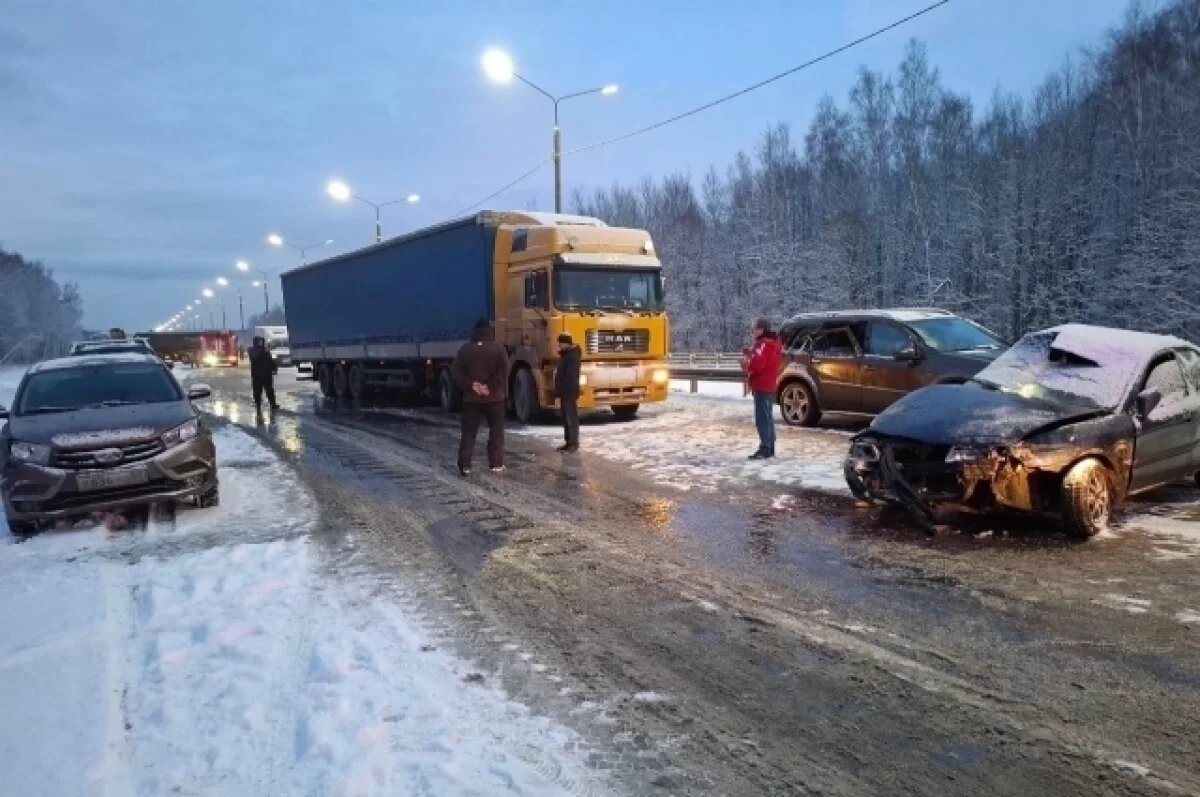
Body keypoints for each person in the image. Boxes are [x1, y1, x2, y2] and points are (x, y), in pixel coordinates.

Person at [451, 318, 510, 476]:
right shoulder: (498, 349)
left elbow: (455, 372)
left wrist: (472, 385)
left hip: (471, 399)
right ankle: (496, 464)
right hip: (495, 398)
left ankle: (465, 465)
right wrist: (489, 386)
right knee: (496, 432)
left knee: (469, 433)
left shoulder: (464, 350)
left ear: (475, 331)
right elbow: (504, 370)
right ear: (489, 331)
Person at [741, 317, 783, 460]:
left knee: (762, 419)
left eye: (755, 329)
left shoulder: (763, 345)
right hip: (769, 384)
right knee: (767, 417)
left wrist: (745, 365)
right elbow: (764, 358)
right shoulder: (771, 343)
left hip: (762, 384)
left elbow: (759, 365)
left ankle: (764, 448)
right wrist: (751, 353)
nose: (753, 331)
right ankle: (770, 446)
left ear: (762, 330)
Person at [553, 333, 582, 452]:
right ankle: (568, 442)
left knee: (571, 417)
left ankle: (573, 443)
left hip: (569, 391)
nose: (559, 345)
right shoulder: (566, 355)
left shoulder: (572, 356)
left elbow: (571, 376)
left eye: (560, 343)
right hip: (565, 391)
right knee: (565, 417)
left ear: (566, 343)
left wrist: (565, 390)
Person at [247, 336, 279, 414]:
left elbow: (270, 360)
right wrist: (263, 351)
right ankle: (258, 404)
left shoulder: (265, 351)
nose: (260, 343)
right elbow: (254, 358)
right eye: (259, 341)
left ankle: (273, 404)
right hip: (257, 375)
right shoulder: (252, 350)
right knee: (257, 391)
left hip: (267, 374)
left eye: (261, 341)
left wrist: (274, 368)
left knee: (270, 390)